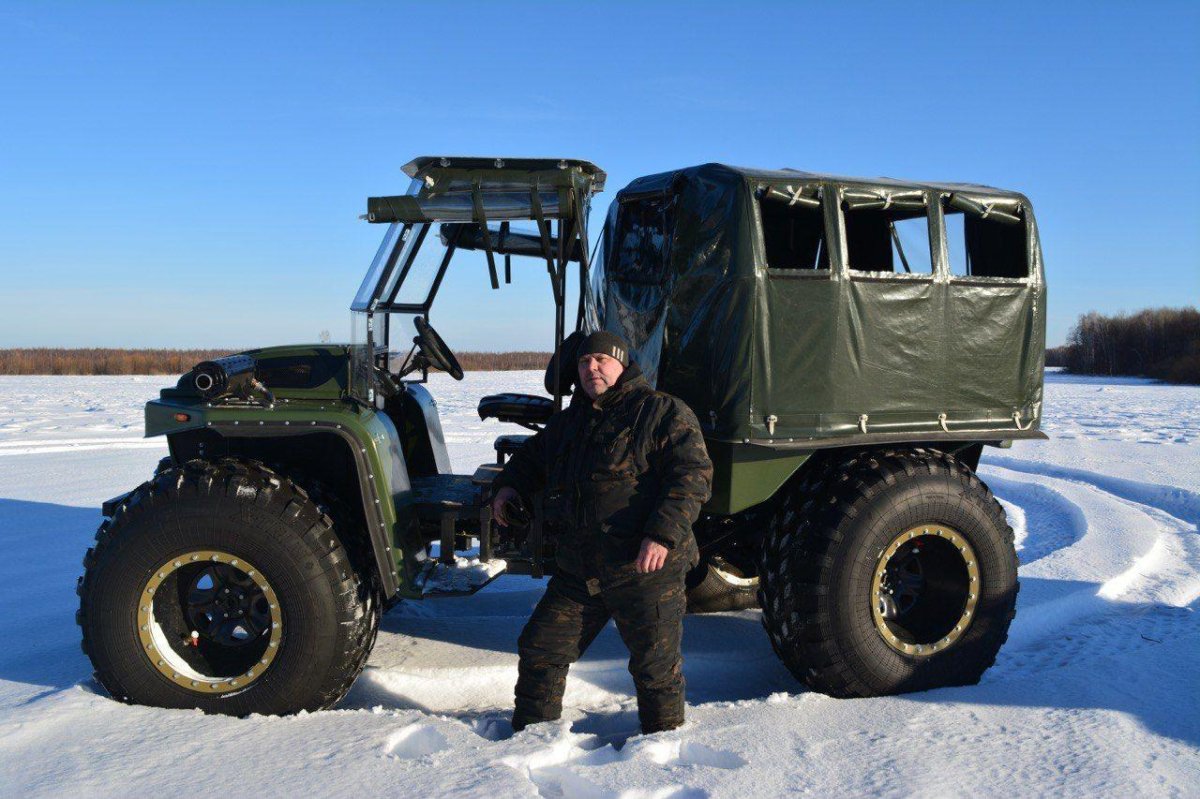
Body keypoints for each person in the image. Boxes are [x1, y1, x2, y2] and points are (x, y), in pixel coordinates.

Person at [490, 331, 713, 735]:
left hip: (645, 569)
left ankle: (662, 748)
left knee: (654, 668)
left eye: (601, 360)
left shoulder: (660, 411)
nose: (592, 368)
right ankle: (530, 739)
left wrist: (662, 535)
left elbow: (692, 476)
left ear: (622, 364)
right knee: (541, 648)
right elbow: (530, 459)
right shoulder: (570, 423)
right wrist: (507, 486)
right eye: (584, 362)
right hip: (581, 570)